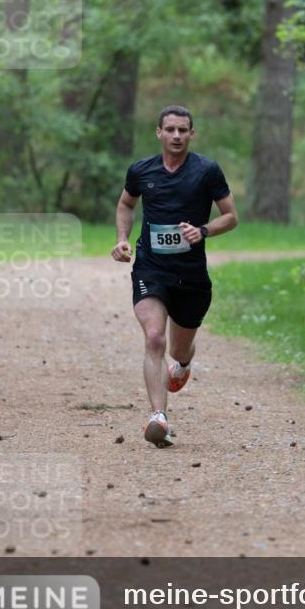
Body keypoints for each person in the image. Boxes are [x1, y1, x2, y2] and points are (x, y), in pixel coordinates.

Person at [111, 105, 238, 447]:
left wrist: (203, 231)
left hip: (191, 275)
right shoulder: (141, 170)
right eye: (170, 130)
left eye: (183, 130)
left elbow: (231, 217)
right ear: (159, 132)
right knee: (154, 337)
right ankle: (158, 417)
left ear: (191, 134)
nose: (177, 136)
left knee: (179, 347)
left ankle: (182, 363)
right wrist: (122, 239)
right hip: (151, 268)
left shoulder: (207, 171)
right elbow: (126, 204)